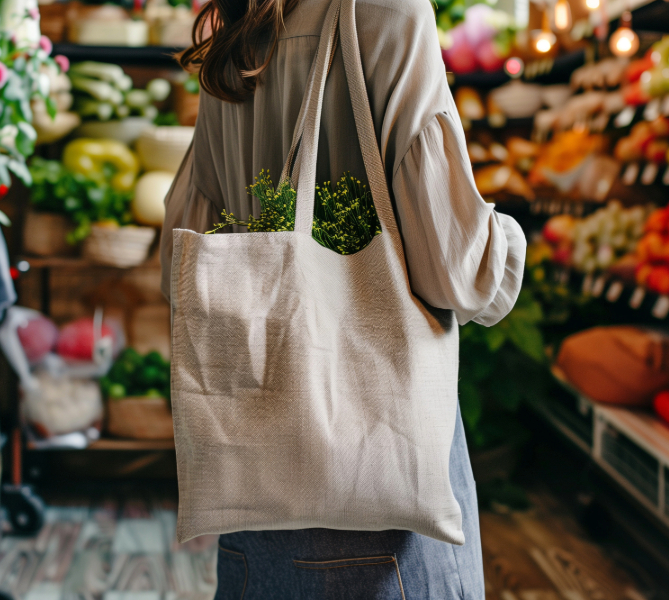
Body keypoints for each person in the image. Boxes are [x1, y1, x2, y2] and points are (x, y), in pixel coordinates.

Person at [159, 0, 526, 596]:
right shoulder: (389, 13)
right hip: (382, 489)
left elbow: (178, 264)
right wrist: (507, 245)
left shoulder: (236, 36)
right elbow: (456, 273)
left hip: (254, 481)